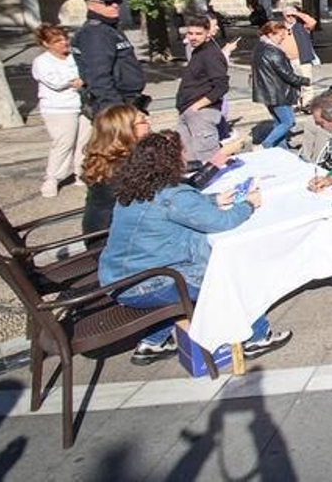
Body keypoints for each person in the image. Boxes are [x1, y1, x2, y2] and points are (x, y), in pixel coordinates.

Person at [98, 130, 291, 365]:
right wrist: (249, 204)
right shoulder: (173, 196)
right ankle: (258, 337)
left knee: (177, 287)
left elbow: (180, 209)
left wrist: (214, 199)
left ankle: (152, 343)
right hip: (149, 285)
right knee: (227, 279)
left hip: (116, 280)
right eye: (181, 152)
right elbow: (222, 222)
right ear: (170, 160)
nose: (184, 155)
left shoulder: (132, 190)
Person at [31, 23, 89, 198]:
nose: (63, 43)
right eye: (57, 41)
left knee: (84, 142)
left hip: (82, 104)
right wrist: (75, 79)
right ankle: (52, 179)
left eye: (65, 39)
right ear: (46, 43)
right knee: (64, 143)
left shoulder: (74, 57)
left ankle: (82, 174)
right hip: (59, 108)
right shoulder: (42, 62)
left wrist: (80, 80)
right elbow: (55, 83)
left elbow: (87, 73)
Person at [71, 0, 146, 115]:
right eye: (108, 2)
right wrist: (116, 110)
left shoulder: (109, 29)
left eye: (117, 1)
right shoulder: (94, 33)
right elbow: (98, 77)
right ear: (91, 5)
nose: (115, 5)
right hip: (114, 105)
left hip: (128, 100)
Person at [79, 104, 148, 234]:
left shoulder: (106, 161)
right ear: (126, 131)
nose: (148, 124)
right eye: (143, 121)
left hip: (100, 228)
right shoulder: (125, 167)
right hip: (112, 238)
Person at [176, 15, 229, 166]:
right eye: (190, 33)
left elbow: (221, 86)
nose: (193, 37)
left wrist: (198, 106)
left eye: (198, 34)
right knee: (188, 160)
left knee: (207, 162)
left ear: (208, 33)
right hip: (187, 110)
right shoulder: (198, 52)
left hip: (201, 113)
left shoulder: (212, 54)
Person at [251, 21, 308, 150]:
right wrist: (305, 81)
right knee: (289, 122)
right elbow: (286, 74)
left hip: (267, 92)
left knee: (279, 122)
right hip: (278, 92)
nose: (283, 38)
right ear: (271, 34)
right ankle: (267, 143)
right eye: (280, 35)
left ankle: (281, 149)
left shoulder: (259, 47)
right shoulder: (272, 51)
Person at [280, 5, 319, 108]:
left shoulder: (302, 25)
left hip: (302, 59)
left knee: (306, 81)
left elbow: (312, 22)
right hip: (287, 60)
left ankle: (307, 103)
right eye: (287, 14)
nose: (290, 17)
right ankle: (296, 102)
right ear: (283, 15)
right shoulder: (280, 27)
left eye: (292, 14)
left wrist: (297, 13)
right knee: (292, 83)